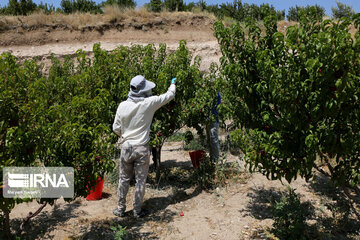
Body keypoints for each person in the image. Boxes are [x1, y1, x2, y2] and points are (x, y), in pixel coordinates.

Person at [112, 75, 176, 218]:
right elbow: (169, 95)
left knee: (123, 179)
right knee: (141, 181)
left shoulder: (122, 105)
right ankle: (137, 211)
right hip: (141, 148)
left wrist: (127, 133)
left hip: (126, 147)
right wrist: (172, 83)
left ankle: (120, 209)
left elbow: (116, 129)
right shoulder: (149, 103)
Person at [206, 92, 221, 162]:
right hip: (208, 120)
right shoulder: (207, 92)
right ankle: (212, 159)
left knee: (214, 140)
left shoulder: (215, 93)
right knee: (210, 140)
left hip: (214, 119)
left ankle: (216, 160)